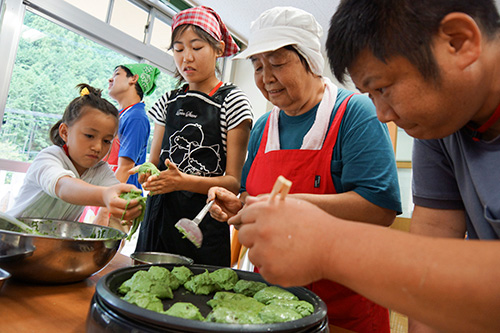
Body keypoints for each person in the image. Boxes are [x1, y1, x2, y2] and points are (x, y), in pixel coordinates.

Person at [224, 0, 500, 332]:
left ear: (458, 41)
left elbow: (381, 209)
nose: (382, 114)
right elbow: (434, 245)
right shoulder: (441, 125)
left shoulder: (409, 114)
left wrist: (327, 244)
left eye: (383, 88)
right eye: (370, 94)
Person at [208, 6, 401, 332]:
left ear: (310, 60)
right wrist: (238, 206)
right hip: (268, 297)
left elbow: (379, 207)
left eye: (278, 63)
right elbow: (251, 195)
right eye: (257, 66)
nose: (266, 77)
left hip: (342, 300)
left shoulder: (355, 113)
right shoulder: (263, 127)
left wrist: (287, 206)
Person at [132, 6, 253, 267]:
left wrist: (182, 181)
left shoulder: (232, 101)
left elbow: (233, 183)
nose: (187, 57)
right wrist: (147, 175)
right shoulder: (168, 100)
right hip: (157, 221)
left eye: (197, 48)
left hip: (204, 225)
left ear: (218, 49)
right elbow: (153, 162)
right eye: (178, 49)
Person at [7, 84, 142, 222]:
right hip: (13, 237)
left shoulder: (100, 170)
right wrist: (104, 195)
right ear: (65, 132)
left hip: (55, 241)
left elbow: (119, 195)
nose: (97, 147)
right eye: (89, 136)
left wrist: (140, 193)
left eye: (107, 141)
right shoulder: (49, 157)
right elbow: (63, 187)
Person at [107, 63, 160, 188]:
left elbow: (125, 168)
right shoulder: (120, 115)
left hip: (120, 197)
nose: (110, 79)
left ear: (134, 79)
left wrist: (104, 203)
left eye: (117, 74)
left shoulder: (136, 118)